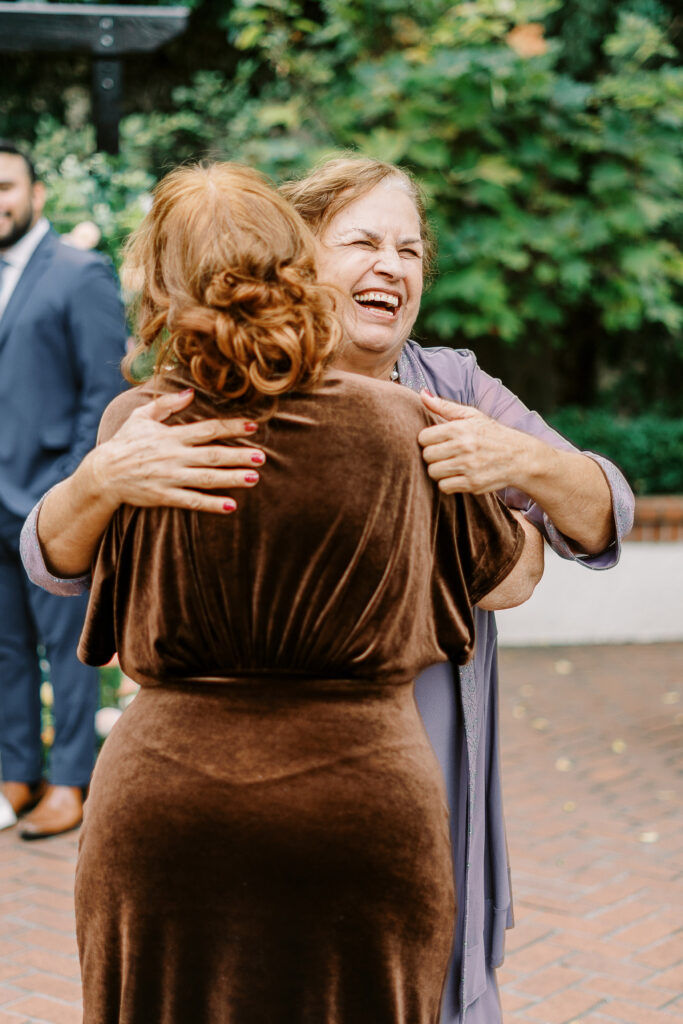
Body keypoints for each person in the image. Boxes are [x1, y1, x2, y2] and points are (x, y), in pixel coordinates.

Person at [21, 157, 634, 1021]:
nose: (393, 264)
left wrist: (526, 461)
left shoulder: (151, 418)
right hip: (364, 800)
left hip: (168, 796)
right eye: (365, 242)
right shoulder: (409, 426)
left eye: (410, 248)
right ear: (297, 262)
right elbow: (508, 574)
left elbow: (105, 628)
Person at [0, 140, 127, 839]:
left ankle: (71, 784)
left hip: (52, 503)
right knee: (5, 648)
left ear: (36, 192)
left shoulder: (80, 272)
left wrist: (74, 494)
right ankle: (16, 775)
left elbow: (103, 392)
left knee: (68, 649)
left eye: (5, 186)